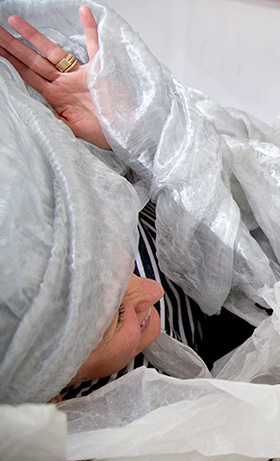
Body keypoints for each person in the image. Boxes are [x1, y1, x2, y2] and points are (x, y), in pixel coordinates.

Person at [0, 6, 255, 404]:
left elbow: (237, 205)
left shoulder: (79, 219)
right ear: (48, 380)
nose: (151, 289)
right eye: (115, 318)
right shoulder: (69, 431)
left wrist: (137, 140)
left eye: (118, 267)